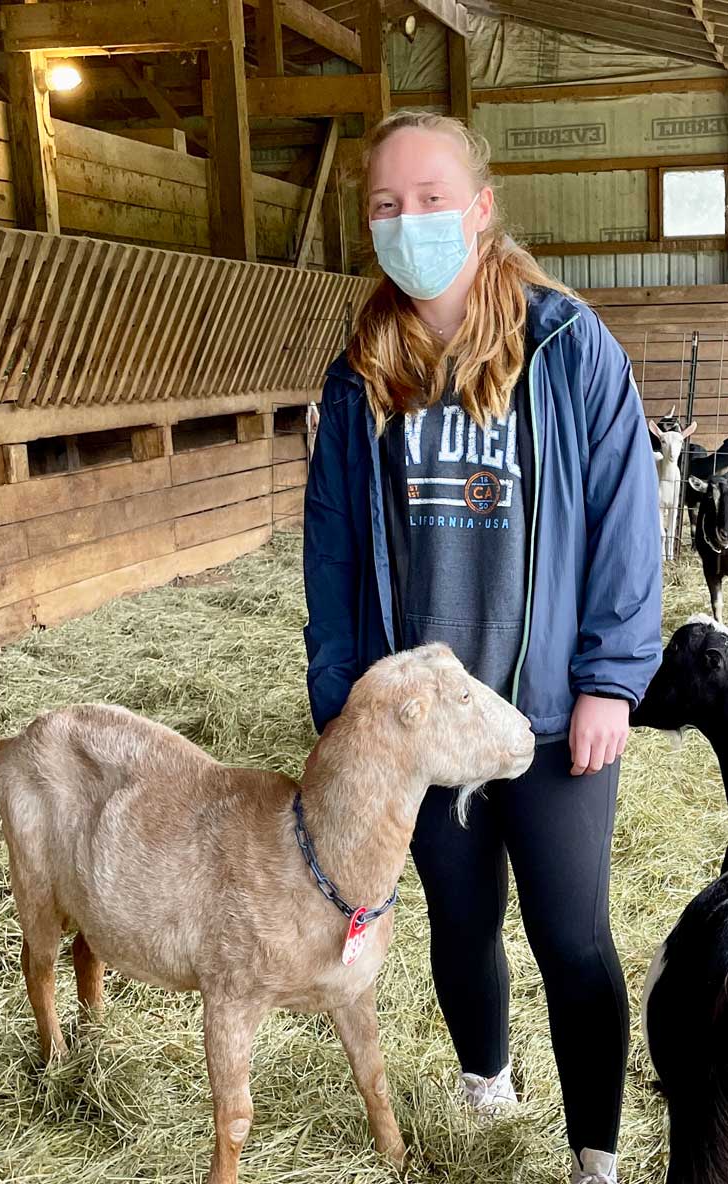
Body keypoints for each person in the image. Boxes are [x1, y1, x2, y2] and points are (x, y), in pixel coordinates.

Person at [302, 111, 662, 1184]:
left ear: (483, 209)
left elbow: (625, 517)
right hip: (420, 732)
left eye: (430, 199)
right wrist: (341, 698)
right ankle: (486, 1086)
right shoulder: (359, 373)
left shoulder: (566, 345)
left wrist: (610, 677)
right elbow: (328, 556)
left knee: (572, 934)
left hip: (550, 710)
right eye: (385, 205)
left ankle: (594, 1152)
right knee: (461, 919)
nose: (408, 221)